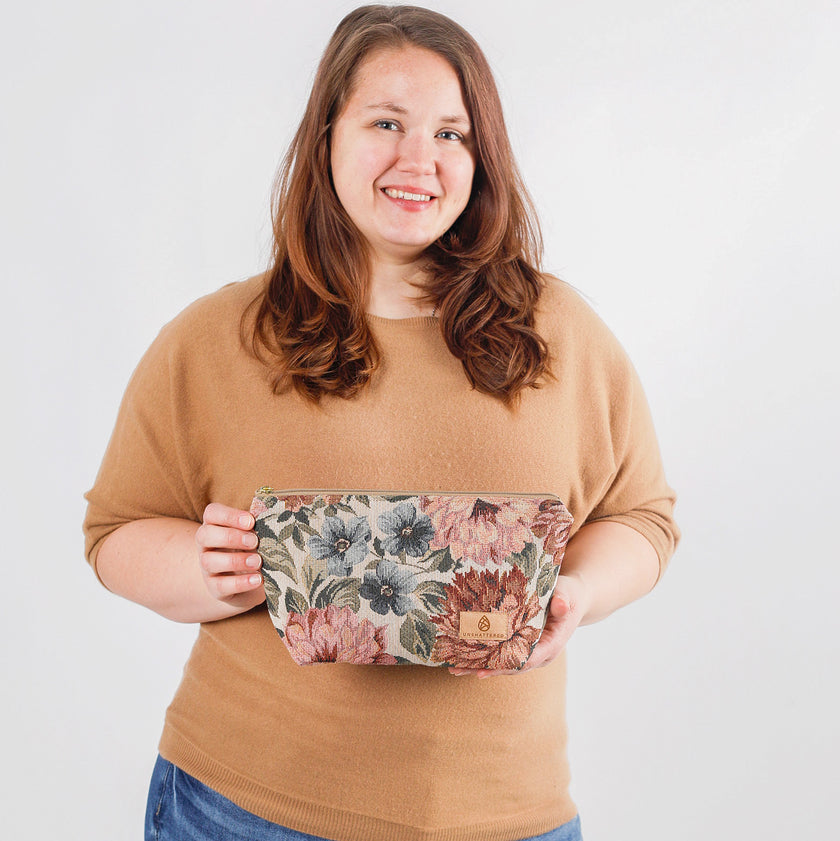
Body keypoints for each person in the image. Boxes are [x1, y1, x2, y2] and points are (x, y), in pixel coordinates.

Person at [83, 5, 679, 841]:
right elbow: (113, 532)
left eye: (451, 134)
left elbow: (642, 516)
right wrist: (204, 569)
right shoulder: (218, 339)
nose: (419, 160)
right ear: (327, 134)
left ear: (483, 158)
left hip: (510, 817)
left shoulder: (561, 333)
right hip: (246, 810)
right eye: (387, 122)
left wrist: (578, 591)